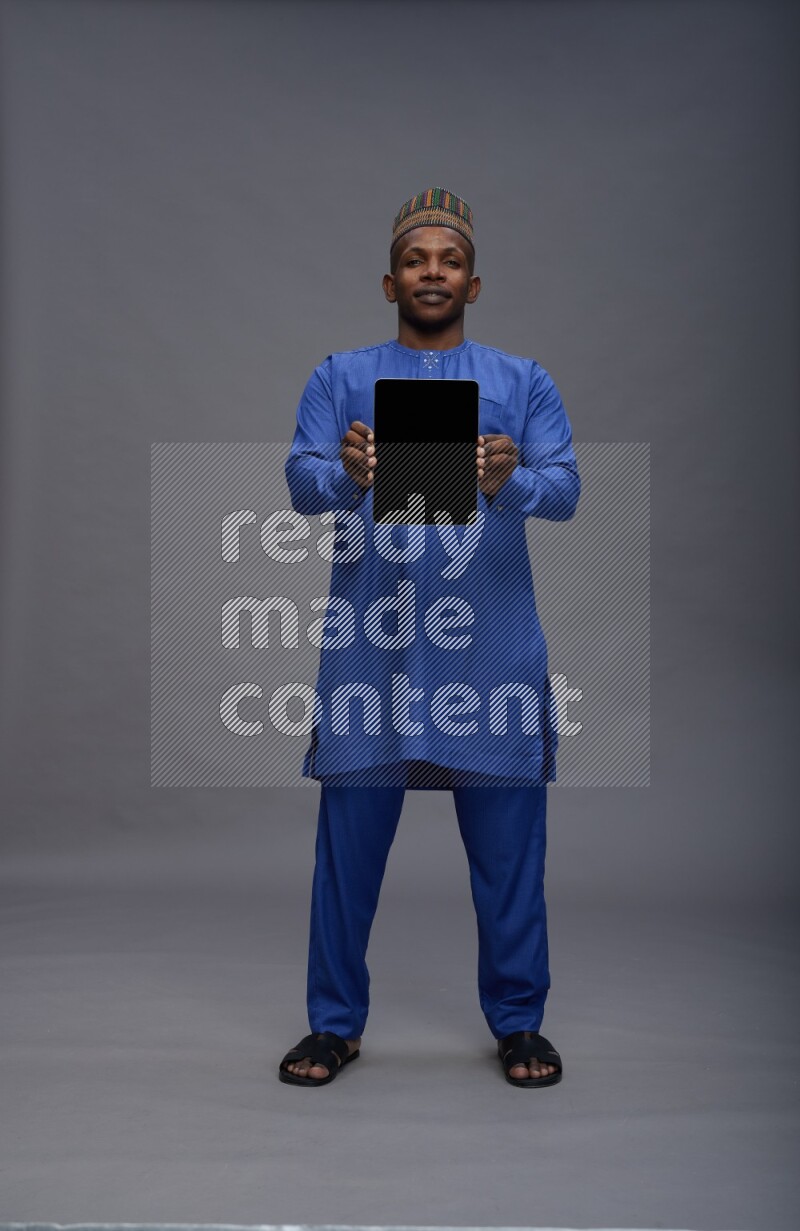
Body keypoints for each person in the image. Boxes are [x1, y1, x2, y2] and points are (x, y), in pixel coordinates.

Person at [279, 187, 580, 1088]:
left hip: (488, 654)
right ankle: (334, 1025)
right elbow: (298, 481)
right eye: (417, 260)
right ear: (390, 280)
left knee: (509, 857)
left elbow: (566, 492)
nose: (433, 273)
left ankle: (520, 1023)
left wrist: (510, 480)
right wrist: (343, 473)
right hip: (375, 652)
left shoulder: (521, 381)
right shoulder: (341, 376)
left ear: (474, 283)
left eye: (449, 261)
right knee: (347, 856)